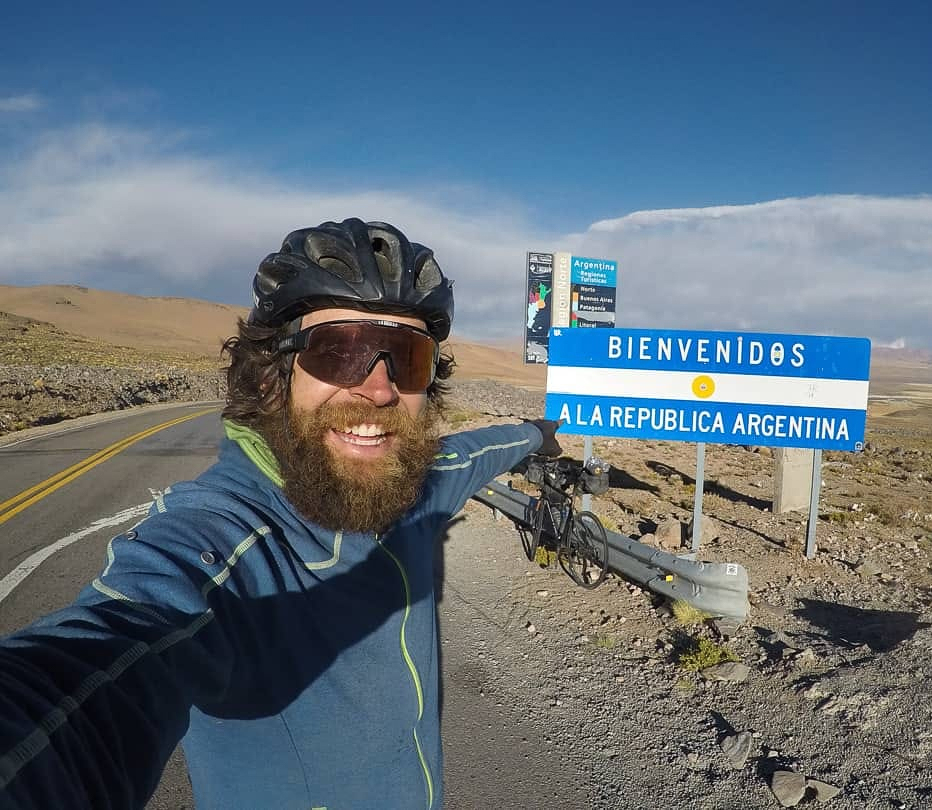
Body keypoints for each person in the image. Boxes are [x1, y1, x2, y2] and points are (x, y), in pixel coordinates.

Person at [0, 218, 562, 810]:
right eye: (339, 352)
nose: (379, 390)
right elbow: (106, 663)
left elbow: (474, 451)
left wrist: (537, 433)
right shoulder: (224, 540)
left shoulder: (418, 485)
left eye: (407, 357)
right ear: (272, 375)